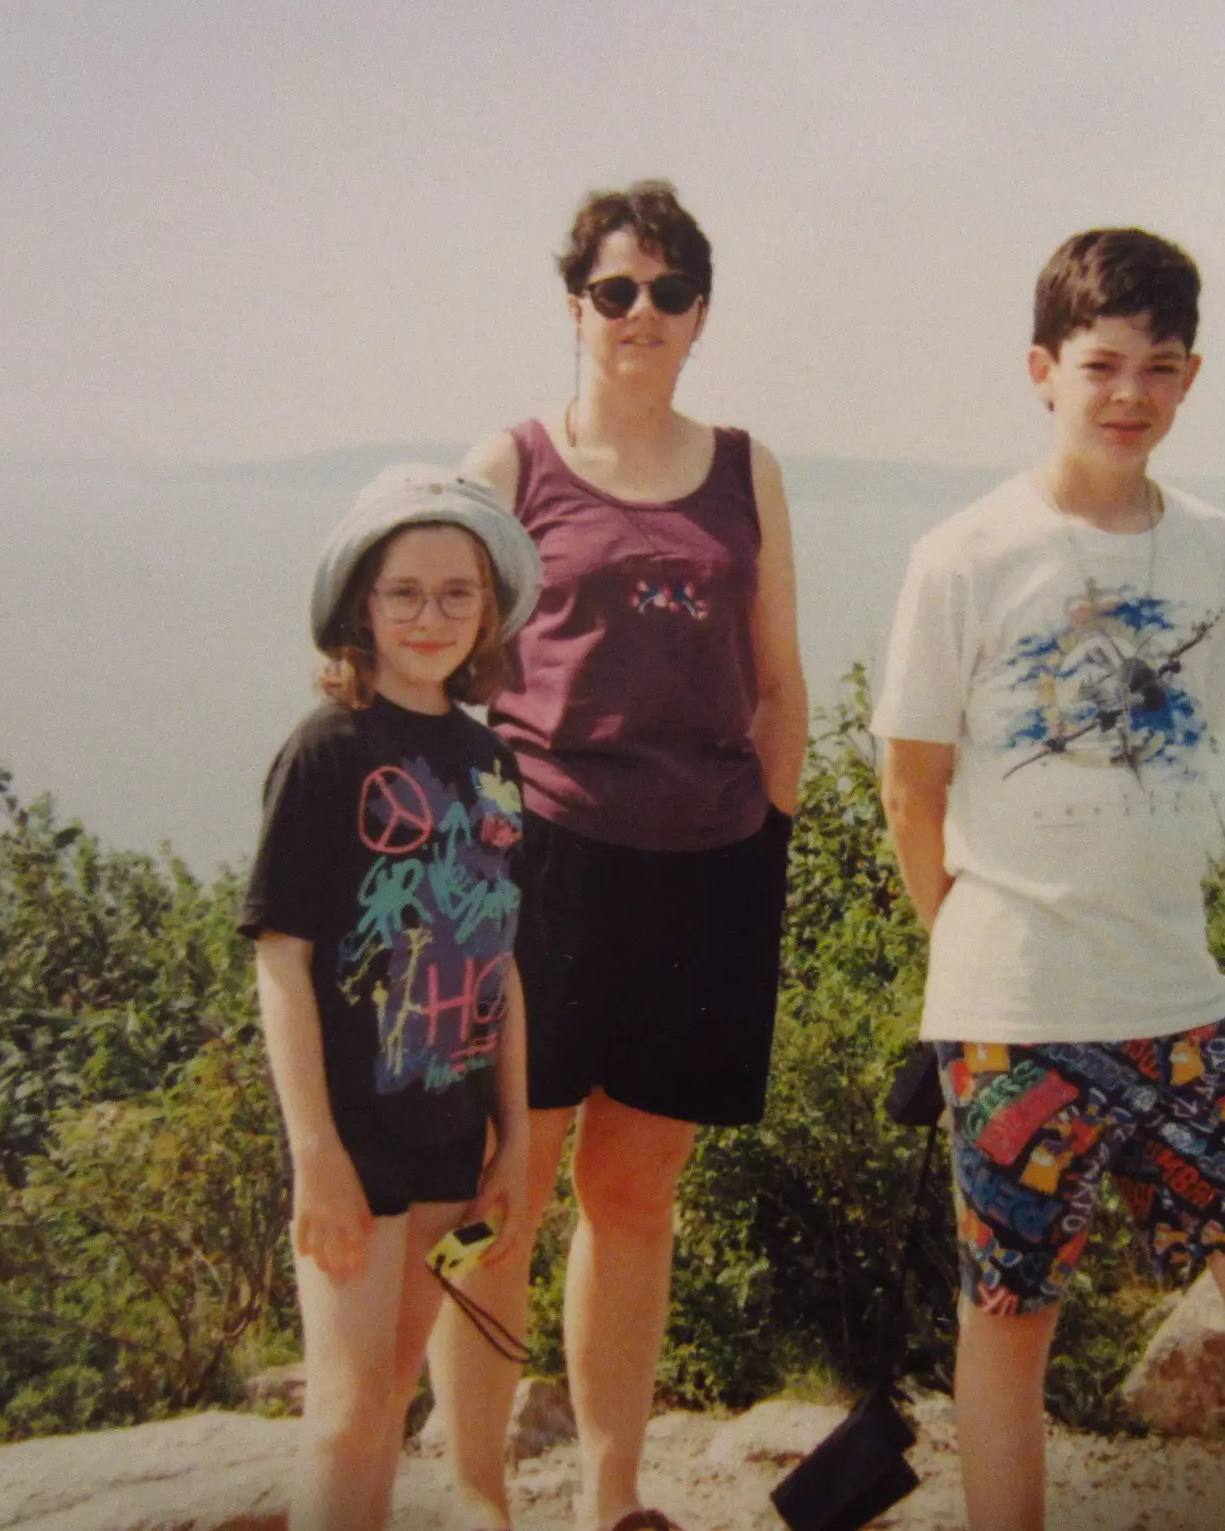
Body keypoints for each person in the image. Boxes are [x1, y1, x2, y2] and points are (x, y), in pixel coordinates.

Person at [873, 229, 1225, 1531]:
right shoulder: (963, 553)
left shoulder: (1213, 547)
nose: (1127, 394)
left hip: (1176, 997)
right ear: (1041, 368)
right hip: (1016, 1006)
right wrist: (963, 968)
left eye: (1157, 366)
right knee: (1011, 1314)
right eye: (1099, 364)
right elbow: (910, 789)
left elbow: (1178, 765)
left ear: (1190, 375)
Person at [427, 180, 809, 1531]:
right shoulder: (508, 466)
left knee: (634, 1195)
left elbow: (779, 686)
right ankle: (478, 1496)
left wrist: (763, 841)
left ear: (698, 313)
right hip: (542, 868)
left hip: (706, 869)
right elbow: (434, 664)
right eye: (611, 290)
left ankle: (610, 1494)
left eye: (663, 291)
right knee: (501, 1195)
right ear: (574, 305)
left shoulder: (743, 467)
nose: (636, 314)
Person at [241, 466, 544, 1531]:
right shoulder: (327, 751)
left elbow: (499, 956)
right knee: (347, 1407)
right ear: (358, 608)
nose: (431, 616)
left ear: (490, 609)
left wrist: (511, 1142)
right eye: (403, 592)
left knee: (398, 1384)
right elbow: (281, 958)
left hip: (451, 1139)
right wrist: (313, 1151)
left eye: (457, 592)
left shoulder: (493, 761)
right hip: (356, 1144)